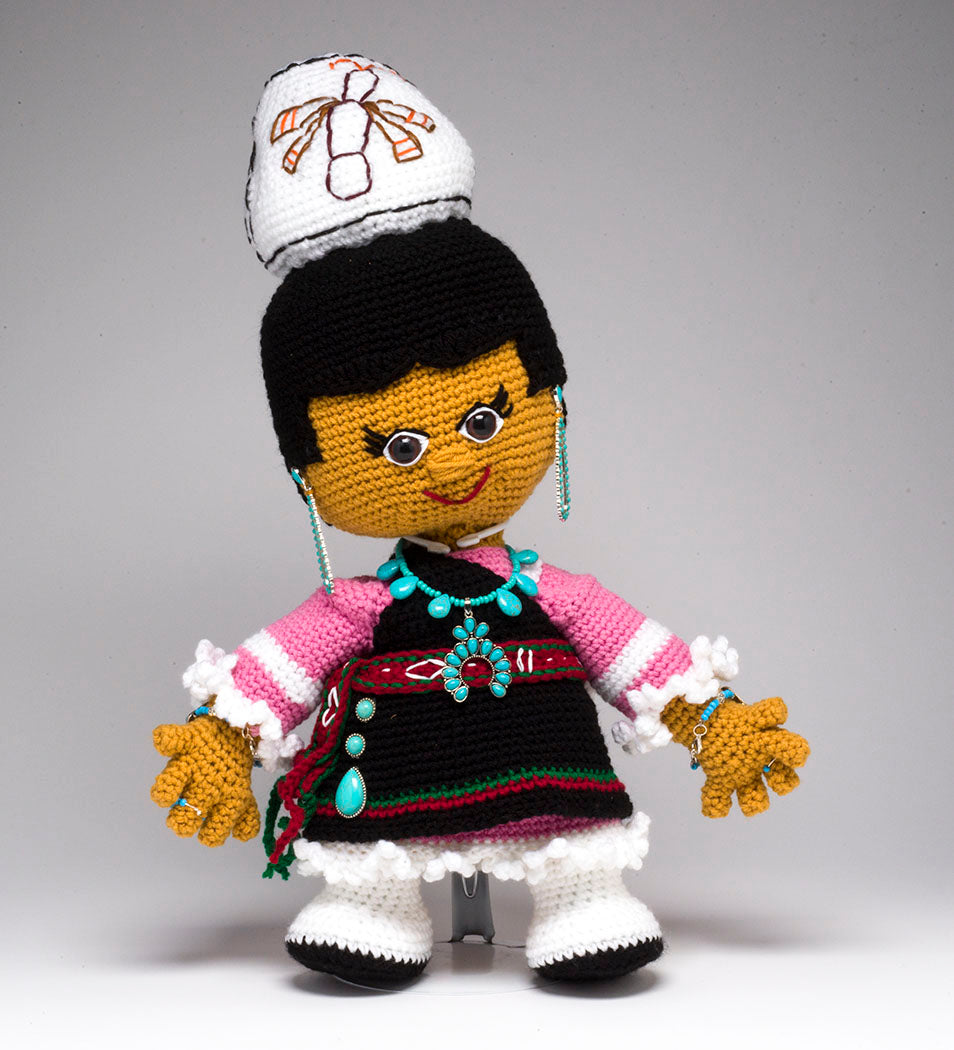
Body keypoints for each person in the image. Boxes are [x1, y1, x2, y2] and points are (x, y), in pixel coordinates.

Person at [151, 54, 809, 987]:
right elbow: (277, 672)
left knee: (577, 840)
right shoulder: (361, 609)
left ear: (548, 397)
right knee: (372, 852)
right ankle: (373, 905)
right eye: (397, 447)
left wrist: (713, 722)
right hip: (397, 786)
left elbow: (638, 658)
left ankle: (582, 898)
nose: (455, 464)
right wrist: (221, 738)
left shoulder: (553, 593)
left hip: (547, 777)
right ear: (310, 469)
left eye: (485, 420)